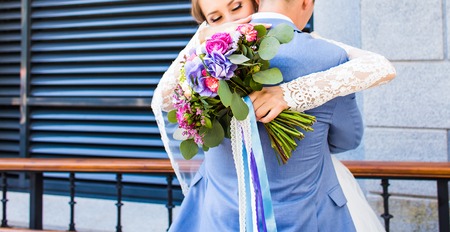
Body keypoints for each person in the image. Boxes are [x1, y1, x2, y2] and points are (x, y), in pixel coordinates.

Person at [151, 0, 395, 231]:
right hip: (305, 217)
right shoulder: (329, 56)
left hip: (215, 215)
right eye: (216, 18)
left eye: (236, 7)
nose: (230, 22)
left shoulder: (196, 66)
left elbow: (165, 99)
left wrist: (290, 94)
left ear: (255, 2)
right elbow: (348, 139)